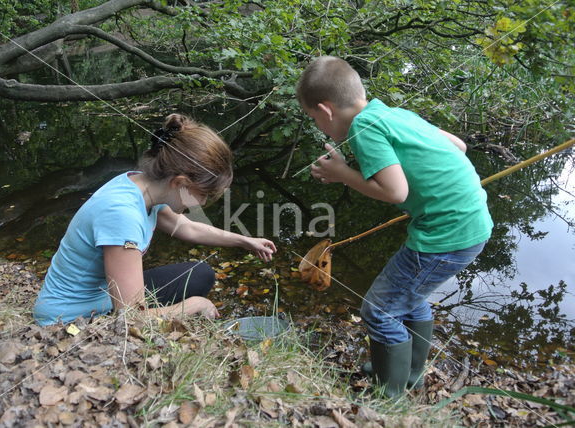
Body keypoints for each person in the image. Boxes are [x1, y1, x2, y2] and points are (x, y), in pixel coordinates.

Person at [296, 56, 493, 397]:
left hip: (446, 234)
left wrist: (342, 174)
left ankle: (390, 394)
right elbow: (458, 146)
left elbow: (395, 191)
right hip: (470, 223)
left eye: (315, 119)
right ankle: (408, 372)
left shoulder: (363, 128)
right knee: (410, 297)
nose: (319, 126)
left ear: (326, 111)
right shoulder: (393, 113)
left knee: (379, 311)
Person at [34, 114, 277, 326]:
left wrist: (245, 241)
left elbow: (186, 228)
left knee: (199, 274)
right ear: (180, 183)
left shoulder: (144, 185)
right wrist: (193, 305)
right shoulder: (123, 216)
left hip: (100, 294)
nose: (202, 204)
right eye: (203, 196)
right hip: (71, 318)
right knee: (192, 297)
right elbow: (131, 316)